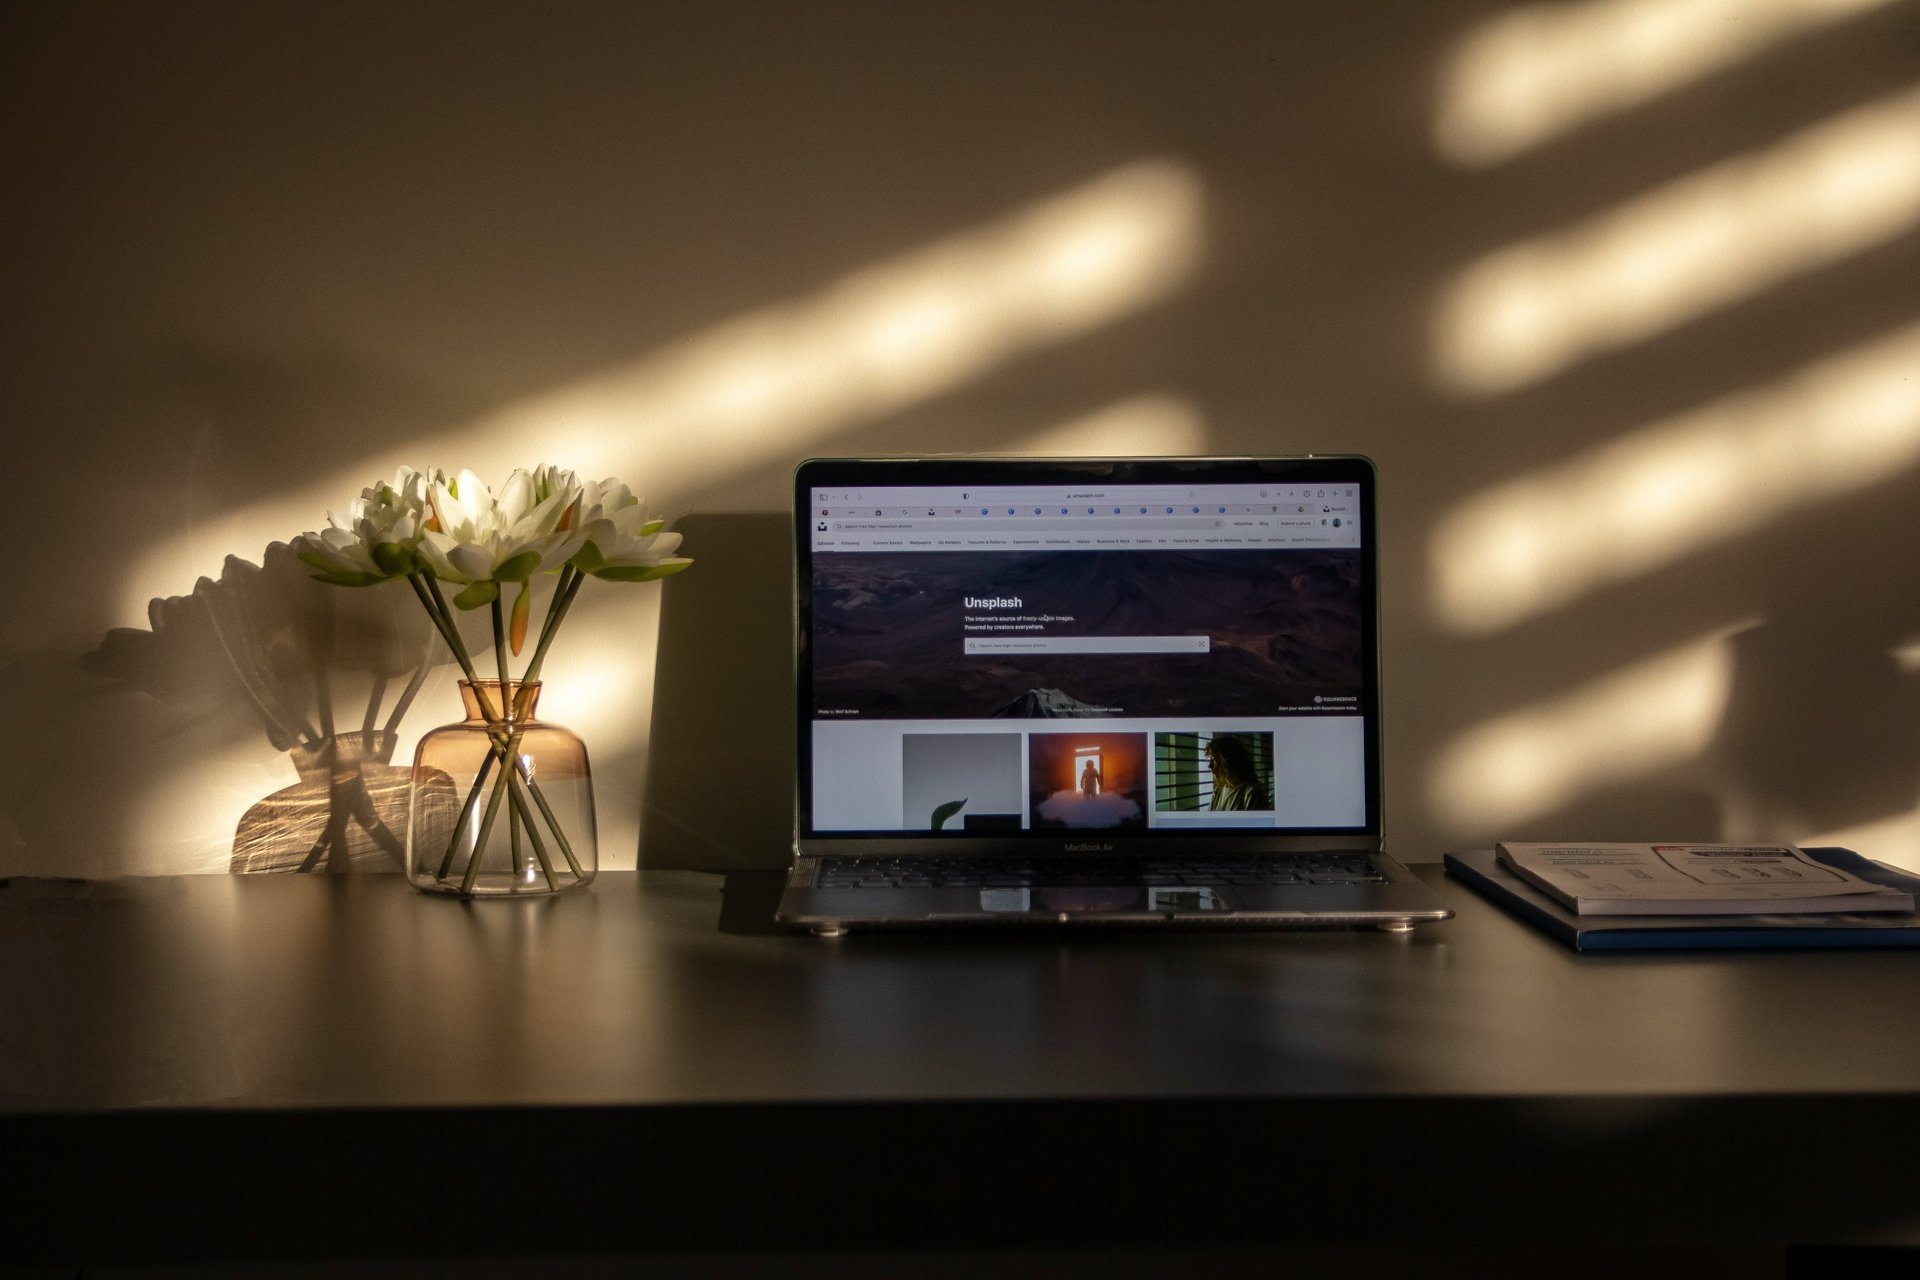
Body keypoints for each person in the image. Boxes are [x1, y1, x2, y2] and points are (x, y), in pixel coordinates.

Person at [1206, 736, 1270, 811]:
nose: (1210, 765)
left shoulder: (1251, 793)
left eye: (1214, 759)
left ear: (1228, 761)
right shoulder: (1218, 791)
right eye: (1209, 760)